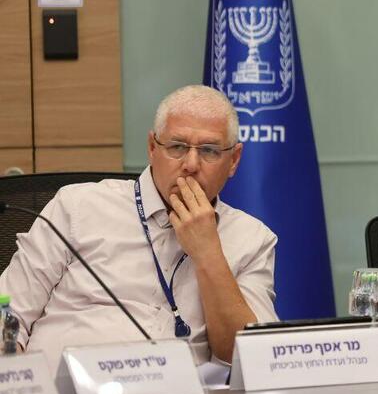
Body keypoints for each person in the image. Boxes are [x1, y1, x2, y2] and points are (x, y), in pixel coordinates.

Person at [0, 85, 278, 369]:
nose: (191, 164)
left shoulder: (252, 239)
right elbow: (9, 311)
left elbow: (252, 357)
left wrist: (209, 254)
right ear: (152, 147)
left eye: (209, 151)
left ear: (233, 161)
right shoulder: (77, 206)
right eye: (177, 147)